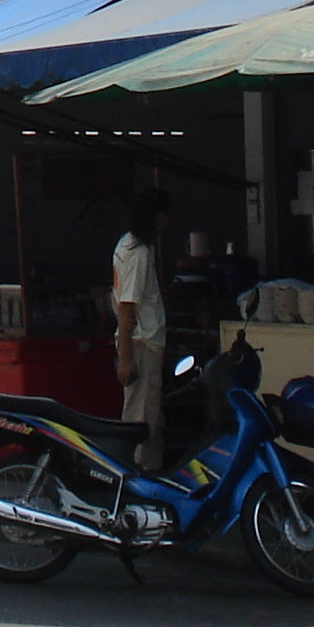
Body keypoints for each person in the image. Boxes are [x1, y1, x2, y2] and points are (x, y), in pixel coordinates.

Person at [113, 187, 171, 472]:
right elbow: (127, 308)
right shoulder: (140, 254)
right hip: (142, 344)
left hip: (140, 343)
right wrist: (125, 358)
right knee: (142, 419)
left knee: (149, 414)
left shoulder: (125, 246)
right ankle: (142, 476)